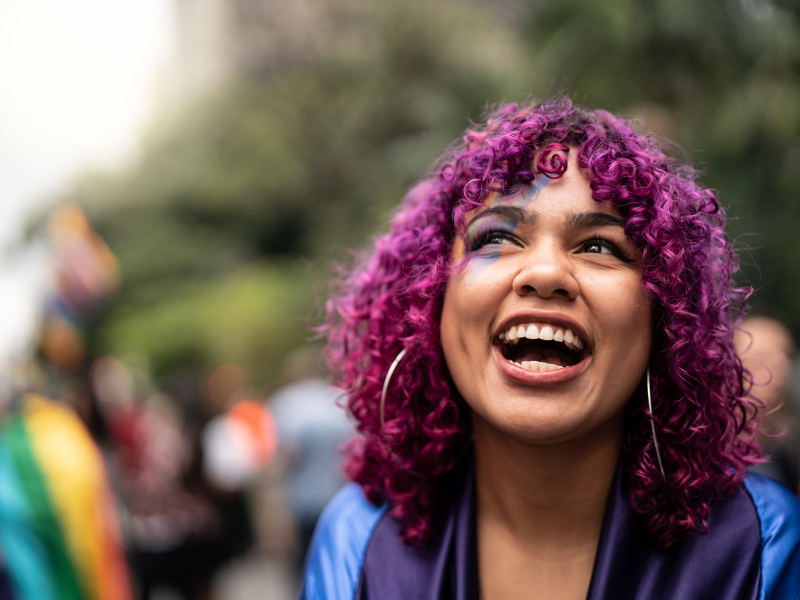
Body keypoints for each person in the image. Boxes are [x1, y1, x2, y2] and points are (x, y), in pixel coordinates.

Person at [299, 98, 800, 599]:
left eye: (600, 246)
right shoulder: (358, 541)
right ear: (430, 301)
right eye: (495, 236)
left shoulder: (761, 546)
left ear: (664, 317)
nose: (545, 274)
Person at [737, 315, 800, 493]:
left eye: (787, 356)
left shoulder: (786, 450)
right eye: (761, 358)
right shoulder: (712, 463)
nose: (781, 371)